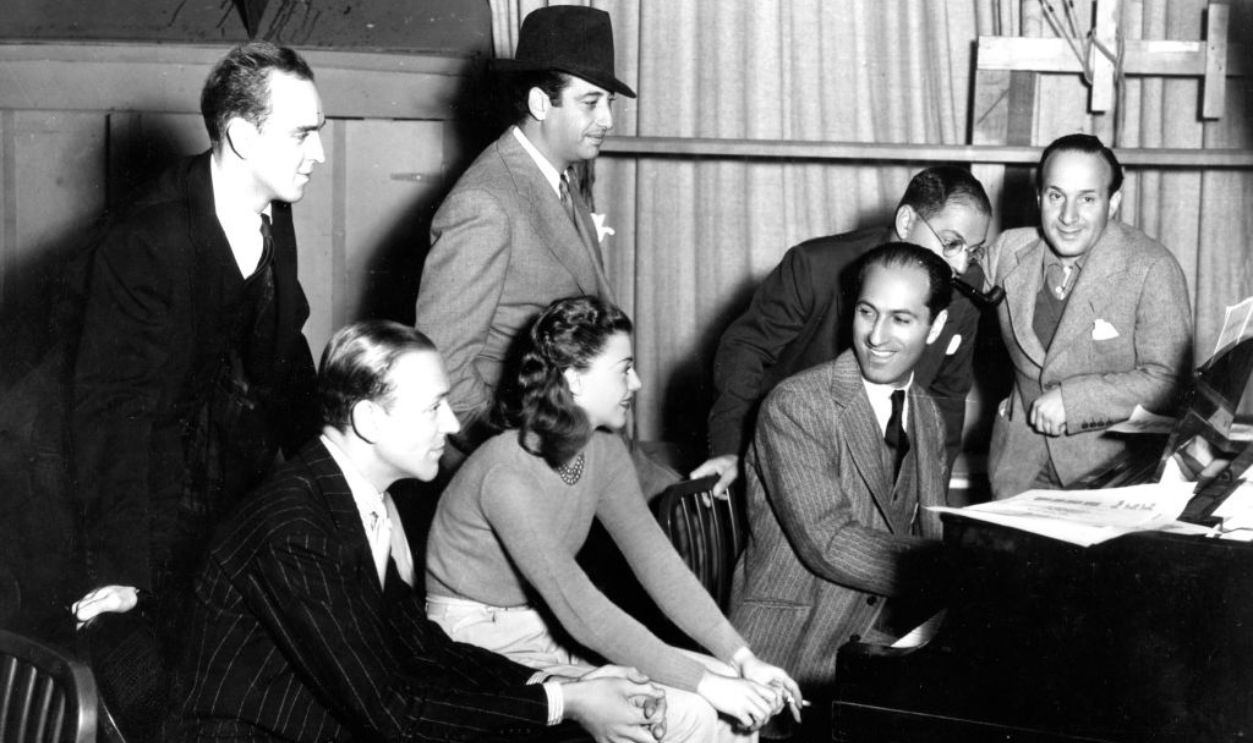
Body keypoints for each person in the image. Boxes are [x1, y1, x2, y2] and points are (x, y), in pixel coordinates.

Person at [170, 320, 668, 742]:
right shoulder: (297, 527)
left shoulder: (355, 498)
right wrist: (567, 703)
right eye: (433, 407)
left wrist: (565, 680)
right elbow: (394, 716)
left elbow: (423, 647)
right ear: (369, 420)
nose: (451, 425)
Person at [67, 42, 326, 736]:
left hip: (216, 488)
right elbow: (108, 414)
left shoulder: (276, 205)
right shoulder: (145, 239)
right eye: (303, 134)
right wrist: (122, 572)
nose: (318, 154)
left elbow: (281, 341)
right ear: (241, 134)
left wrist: (334, 461)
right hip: (122, 501)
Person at [424, 296, 803, 743]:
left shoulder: (603, 451)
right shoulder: (505, 474)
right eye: (624, 368)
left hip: (542, 622)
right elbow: (582, 609)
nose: (637, 382)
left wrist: (741, 659)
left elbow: (660, 567)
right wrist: (710, 685)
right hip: (471, 641)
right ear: (575, 380)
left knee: (731, 698)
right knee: (690, 710)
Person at [728, 243, 956, 739]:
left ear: (936, 327)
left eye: (901, 319)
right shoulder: (797, 404)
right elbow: (828, 543)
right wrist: (962, 569)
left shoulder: (928, 413)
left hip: (881, 648)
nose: (877, 336)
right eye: (867, 312)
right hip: (794, 657)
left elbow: (934, 528)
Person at [414, 5, 634, 461]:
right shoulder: (485, 202)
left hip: (569, 449)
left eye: (609, 103)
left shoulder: (560, 179)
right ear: (539, 103)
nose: (608, 119)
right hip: (518, 459)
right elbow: (443, 363)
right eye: (591, 102)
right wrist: (514, 455)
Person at [696, 166, 992, 495]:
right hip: (795, 458)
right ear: (907, 222)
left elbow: (948, 394)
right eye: (952, 243)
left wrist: (933, 492)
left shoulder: (964, 287)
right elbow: (744, 350)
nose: (962, 265)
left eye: (974, 250)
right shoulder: (815, 267)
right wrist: (732, 449)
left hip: (886, 474)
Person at [982, 134, 1192, 499]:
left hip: (1111, 475)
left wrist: (1074, 401)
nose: (1068, 217)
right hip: (1015, 469)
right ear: (1038, 198)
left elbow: (1171, 381)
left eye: (1087, 199)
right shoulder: (1006, 251)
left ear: (1113, 203)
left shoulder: (1151, 268)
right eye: (1056, 196)